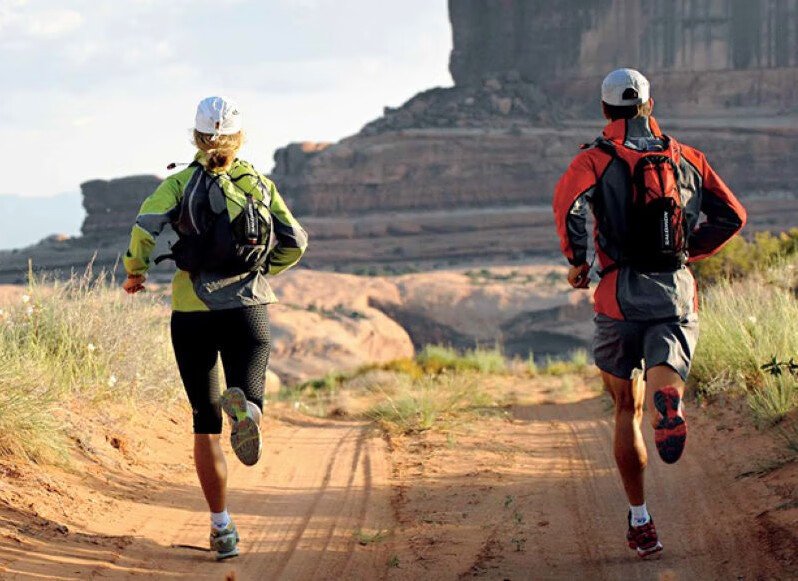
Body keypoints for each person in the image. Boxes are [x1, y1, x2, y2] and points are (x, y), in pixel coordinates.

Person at [552, 69, 746, 557]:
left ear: (605, 110)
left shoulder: (594, 158)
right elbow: (733, 216)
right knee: (665, 373)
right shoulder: (687, 157)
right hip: (673, 292)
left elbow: (568, 205)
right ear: (649, 105)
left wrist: (578, 262)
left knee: (626, 408)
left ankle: (641, 521)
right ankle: (670, 402)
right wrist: (686, 252)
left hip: (618, 295)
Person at [122, 96, 308, 560]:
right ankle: (249, 413)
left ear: (196, 137)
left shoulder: (178, 183)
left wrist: (136, 272)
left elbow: (144, 228)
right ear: (239, 139)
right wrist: (260, 273)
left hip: (192, 312)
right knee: (250, 393)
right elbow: (296, 241)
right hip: (248, 308)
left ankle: (221, 528)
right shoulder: (258, 184)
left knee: (204, 424)